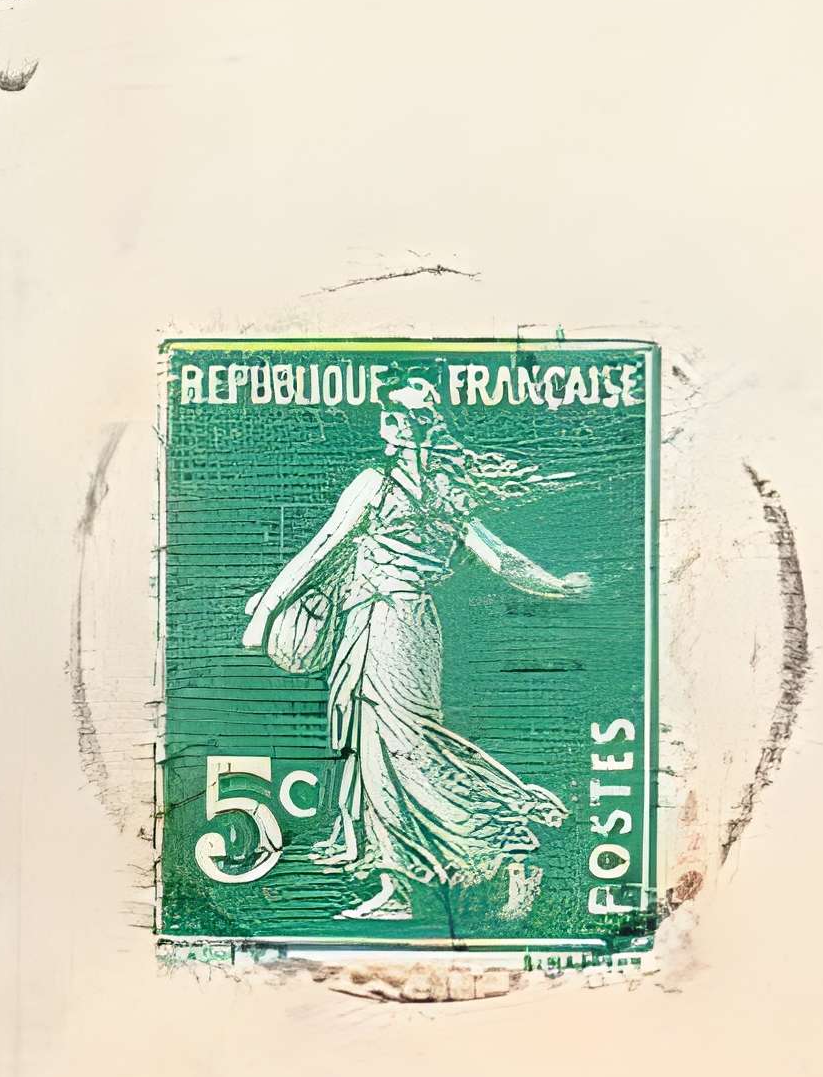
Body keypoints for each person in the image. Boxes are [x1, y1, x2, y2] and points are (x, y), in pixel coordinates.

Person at [240, 379, 589, 925]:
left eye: (398, 416)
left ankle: (492, 846)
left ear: (420, 426)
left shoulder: (380, 483)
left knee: (395, 748)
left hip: (386, 623)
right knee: (391, 744)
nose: (388, 423)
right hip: (400, 623)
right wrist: (557, 585)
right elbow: (502, 560)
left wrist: (263, 618)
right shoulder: (443, 491)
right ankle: (446, 860)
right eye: (387, 415)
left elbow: (320, 550)